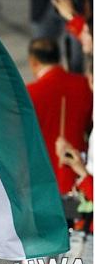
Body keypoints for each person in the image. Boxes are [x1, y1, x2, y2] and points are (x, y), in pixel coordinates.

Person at [25, 38, 92, 196]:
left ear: (33, 61)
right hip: (80, 175)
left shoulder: (29, 93)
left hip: (44, 182)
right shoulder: (84, 85)